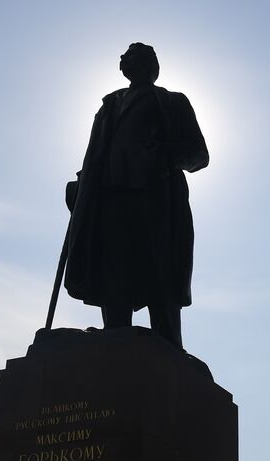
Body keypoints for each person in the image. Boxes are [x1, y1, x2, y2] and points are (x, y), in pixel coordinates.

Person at [63, 42, 209, 350]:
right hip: (110, 201)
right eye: (124, 58)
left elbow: (198, 154)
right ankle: (115, 340)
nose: (125, 61)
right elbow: (96, 155)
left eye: (134, 57)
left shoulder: (172, 102)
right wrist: (82, 185)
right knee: (112, 272)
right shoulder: (109, 105)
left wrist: (163, 157)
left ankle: (170, 347)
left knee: (161, 274)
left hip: (154, 202)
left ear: (151, 66)